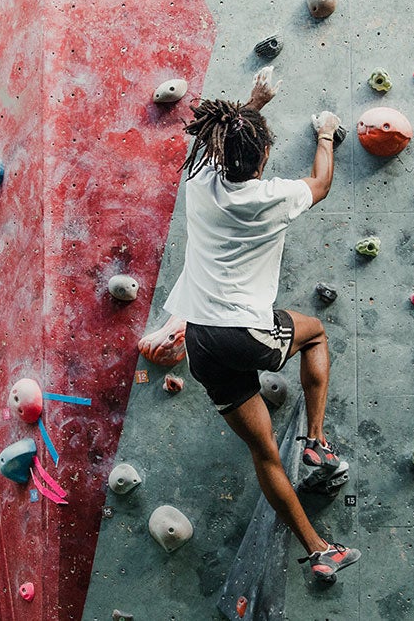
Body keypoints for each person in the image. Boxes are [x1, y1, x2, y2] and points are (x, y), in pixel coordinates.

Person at [162, 67, 360, 583]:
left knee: (264, 451)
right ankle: (315, 440)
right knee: (314, 331)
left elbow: (218, 139)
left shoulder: (199, 182)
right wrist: (325, 132)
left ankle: (320, 550)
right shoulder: (272, 197)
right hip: (244, 333)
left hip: (201, 340)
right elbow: (321, 182)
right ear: (265, 158)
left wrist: (253, 102)